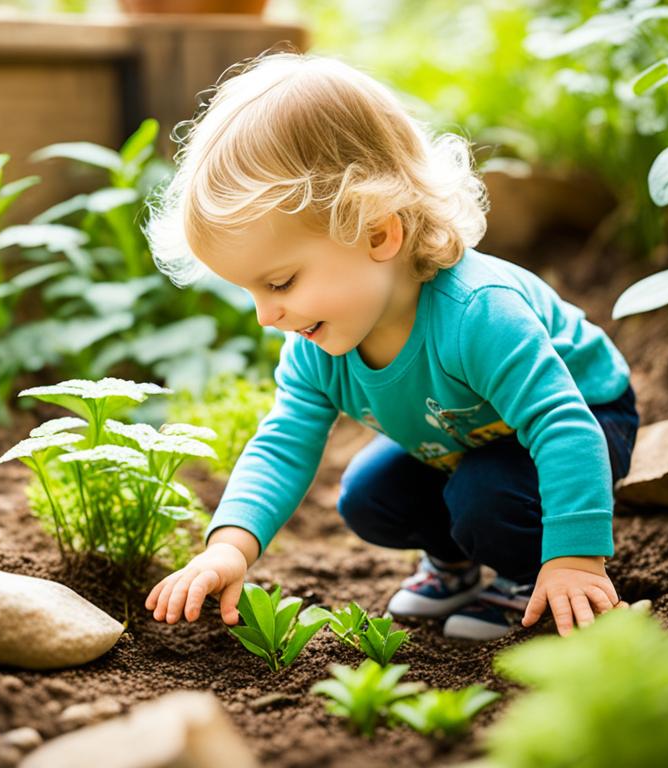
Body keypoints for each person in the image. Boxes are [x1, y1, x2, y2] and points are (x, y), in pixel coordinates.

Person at [143, 50, 639, 641]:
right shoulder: (315, 346)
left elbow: (563, 426)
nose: (265, 314)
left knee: (486, 496)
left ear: (379, 232)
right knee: (368, 494)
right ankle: (455, 566)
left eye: (279, 283)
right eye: (249, 290)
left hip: (587, 420)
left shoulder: (478, 313)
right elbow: (282, 444)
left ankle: (528, 574)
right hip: (464, 440)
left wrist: (576, 560)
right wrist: (229, 547)